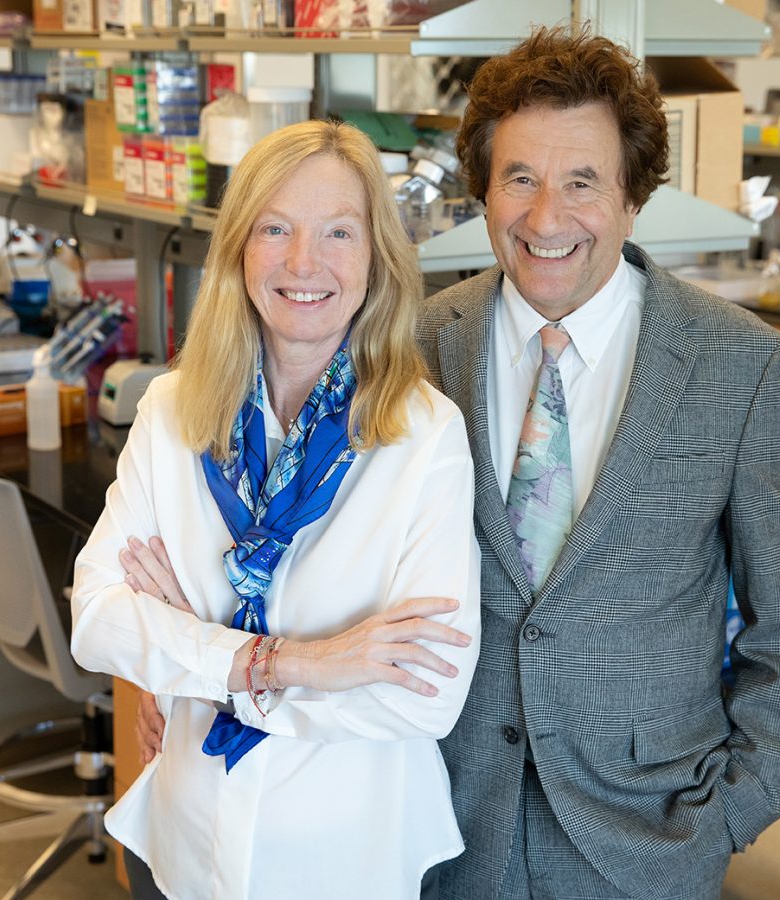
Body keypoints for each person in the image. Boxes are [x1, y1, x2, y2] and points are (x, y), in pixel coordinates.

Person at [135, 24, 780, 900]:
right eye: (520, 179)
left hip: (651, 833)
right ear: (482, 192)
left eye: (582, 182)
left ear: (632, 196)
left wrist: (734, 811)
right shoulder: (411, 349)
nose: (546, 218)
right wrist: (184, 669)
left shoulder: (737, 364)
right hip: (443, 817)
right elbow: (300, 546)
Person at [70, 118, 482, 900]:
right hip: (184, 841)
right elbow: (95, 618)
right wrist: (301, 664)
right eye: (275, 229)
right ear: (238, 249)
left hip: (340, 863)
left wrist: (193, 661)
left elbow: (422, 698)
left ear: (376, 257)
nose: (303, 262)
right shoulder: (170, 411)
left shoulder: (425, 437)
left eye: (338, 232)